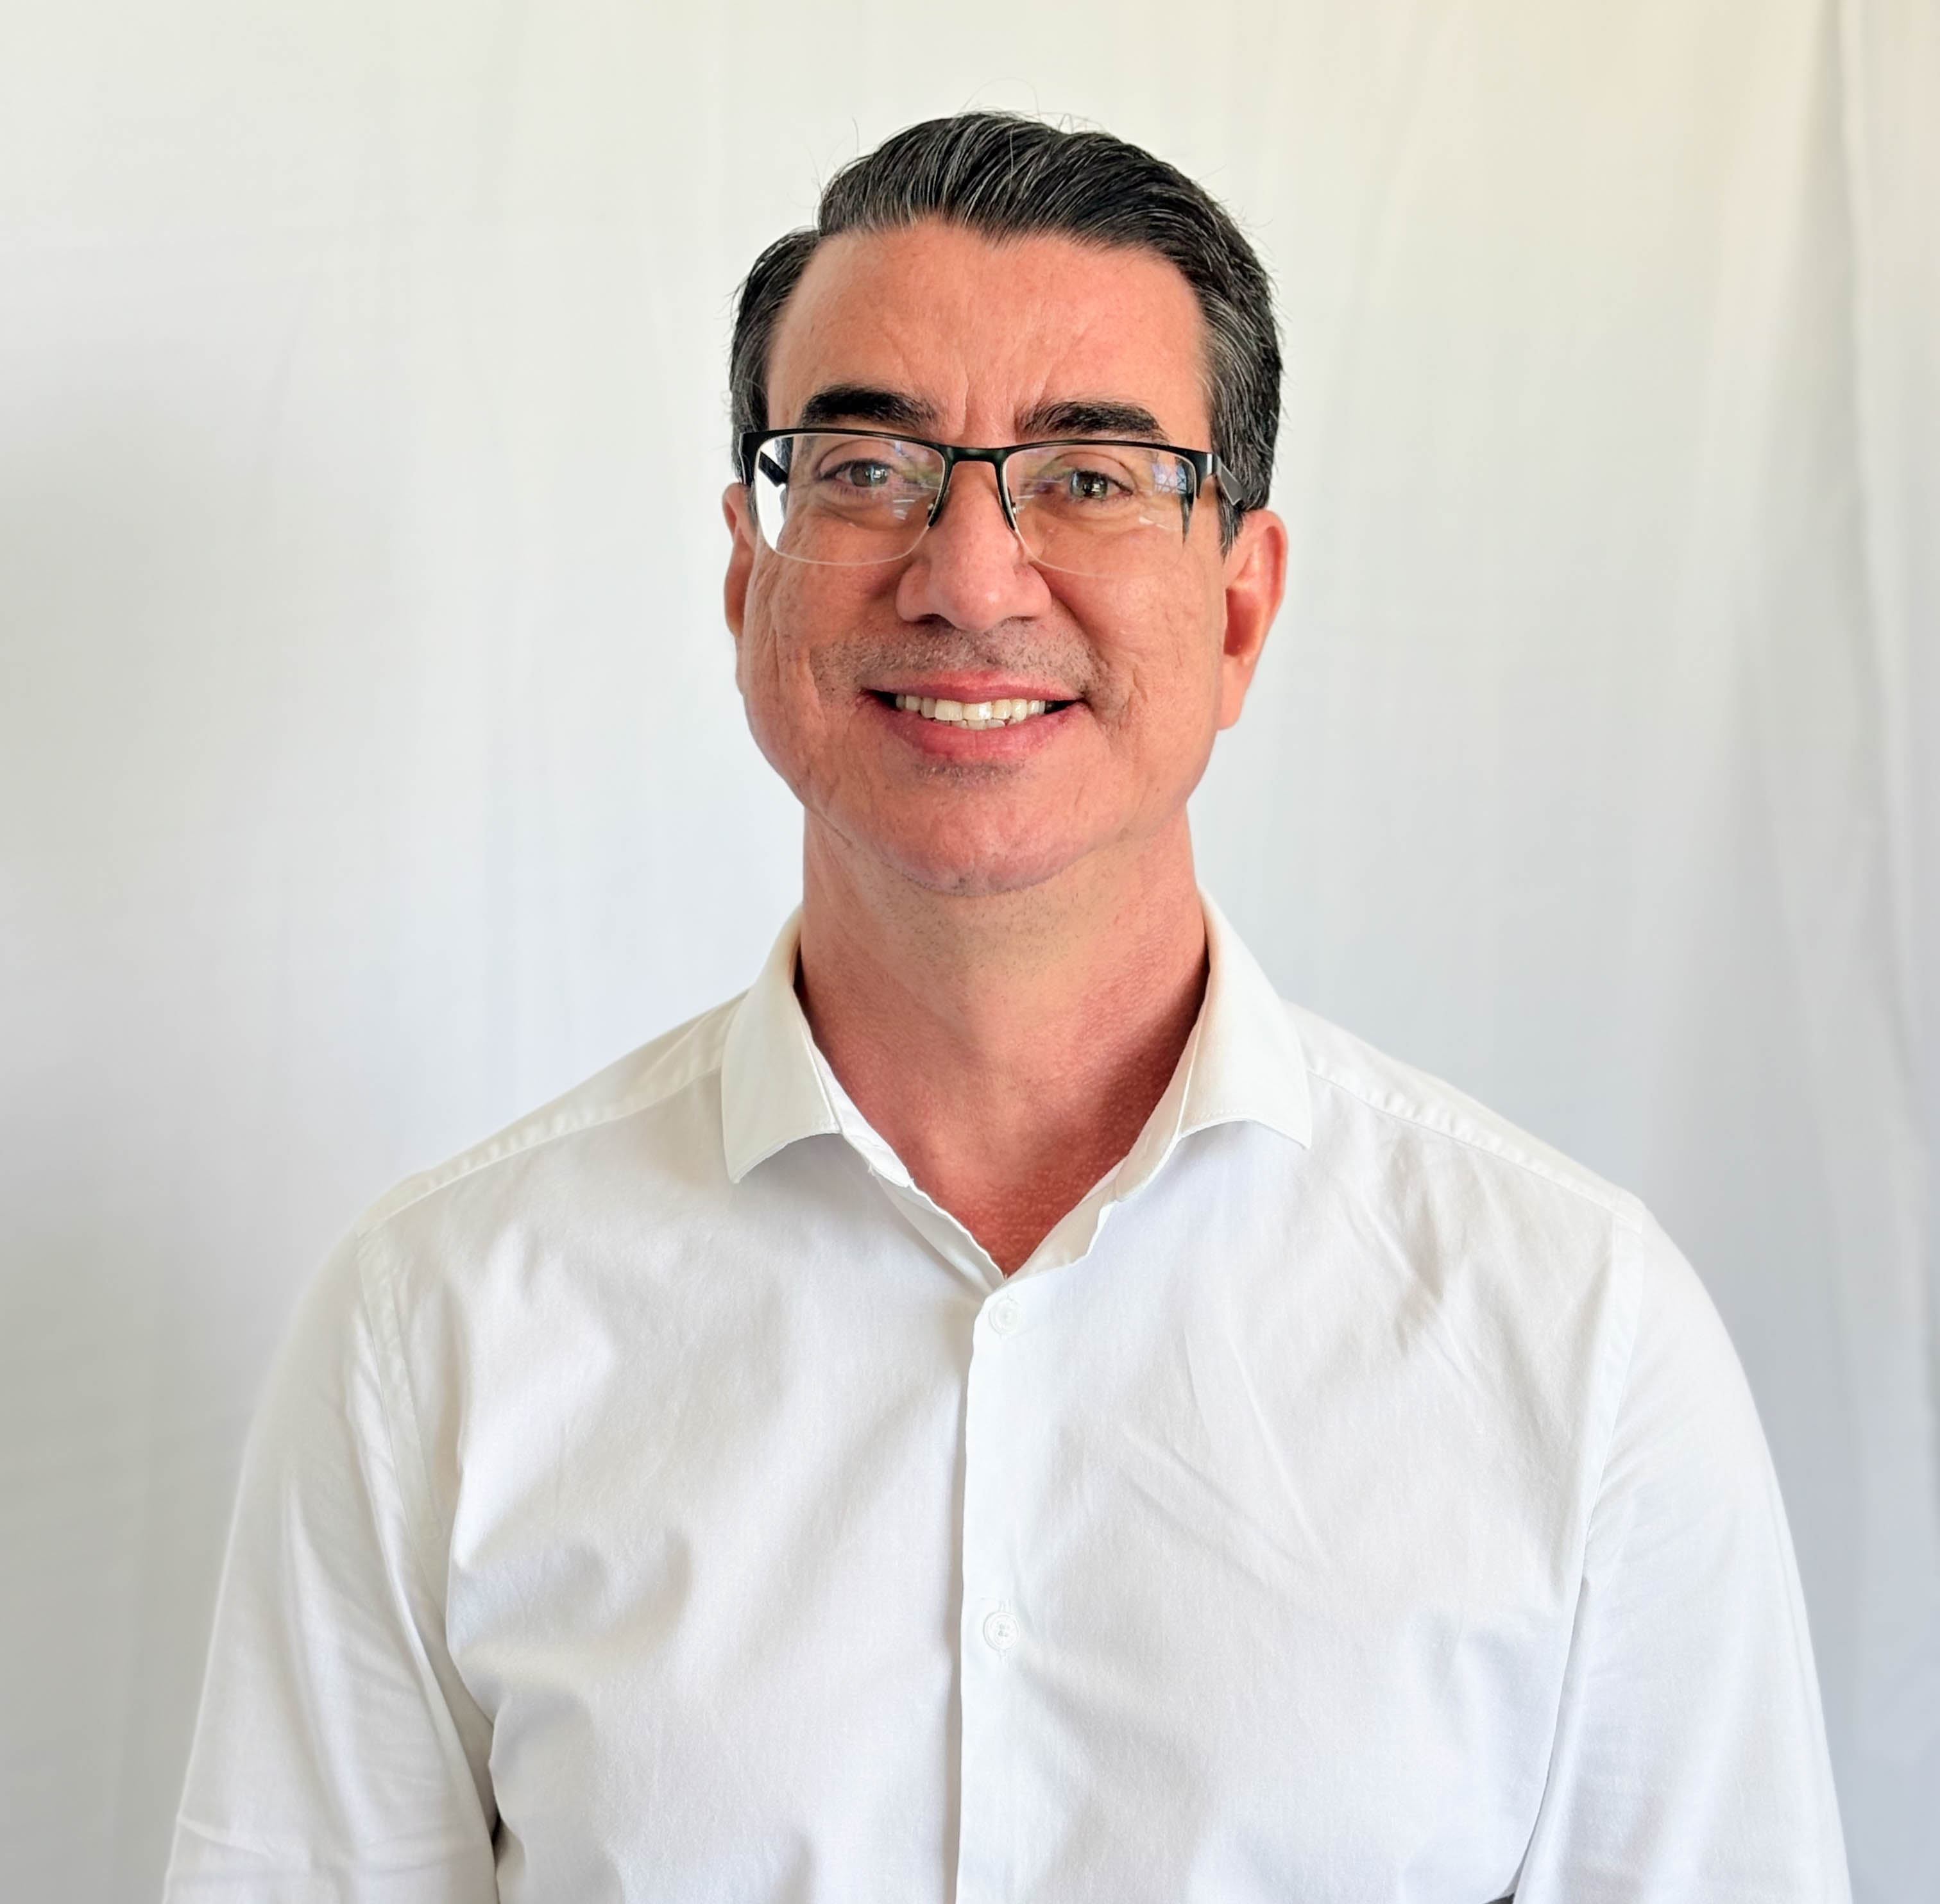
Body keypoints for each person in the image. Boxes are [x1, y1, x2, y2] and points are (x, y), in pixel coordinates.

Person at [164, 113, 1850, 1902]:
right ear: (747, 579)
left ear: (1240, 610)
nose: (969, 579)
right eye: (868, 467)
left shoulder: (1581, 1347)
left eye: (1092, 478)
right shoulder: (435, 1330)